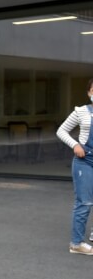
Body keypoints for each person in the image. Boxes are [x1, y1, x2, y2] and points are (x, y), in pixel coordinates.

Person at [56, 78, 93, 256]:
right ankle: (76, 243)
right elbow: (61, 130)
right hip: (85, 161)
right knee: (84, 202)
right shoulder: (80, 112)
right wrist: (75, 145)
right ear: (89, 92)